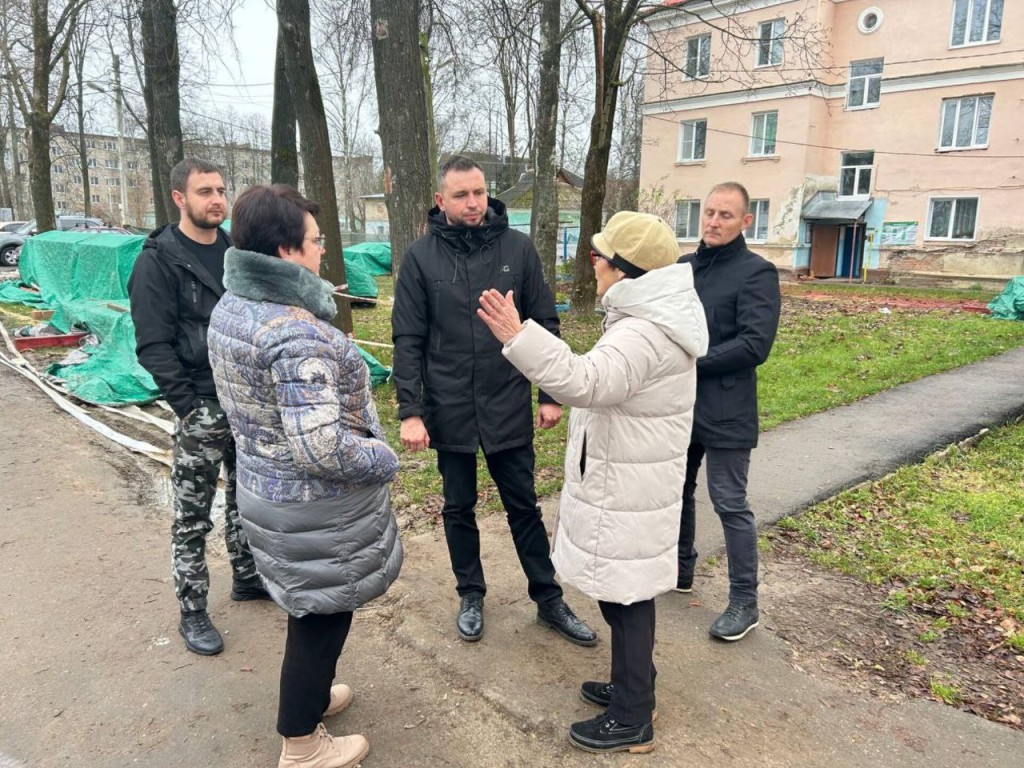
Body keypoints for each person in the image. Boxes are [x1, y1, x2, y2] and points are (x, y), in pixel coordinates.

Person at [477, 211, 708, 754]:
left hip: (628, 486)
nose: (593, 264)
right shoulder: (649, 318)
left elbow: (586, 381)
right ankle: (635, 687)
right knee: (621, 592)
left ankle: (633, 716)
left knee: (625, 597)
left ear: (624, 270)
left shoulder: (644, 331)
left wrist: (518, 336)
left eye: (599, 256)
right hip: (627, 478)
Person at [207, 184, 402, 768]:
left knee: (311, 604)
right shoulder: (294, 332)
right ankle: (300, 741)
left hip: (266, 488)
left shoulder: (233, 308)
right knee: (322, 613)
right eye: (316, 242)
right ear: (287, 251)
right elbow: (321, 446)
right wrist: (383, 458)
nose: (324, 252)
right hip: (315, 504)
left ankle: (312, 699)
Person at [391, 154, 595, 646]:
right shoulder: (421, 258)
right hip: (450, 406)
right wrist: (412, 411)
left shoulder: (517, 250)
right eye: (461, 195)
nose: (473, 203)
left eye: (479, 192)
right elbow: (408, 339)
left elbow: (544, 322)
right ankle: (471, 594)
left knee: (523, 505)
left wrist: (549, 394)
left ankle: (548, 599)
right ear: (441, 200)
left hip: (506, 401)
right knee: (458, 507)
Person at [128, 157, 268, 657]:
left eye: (221, 190)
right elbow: (153, 345)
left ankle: (247, 575)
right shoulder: (158, 262)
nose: (216, 200)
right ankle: (192, 609)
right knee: (191, 514)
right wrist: (189, 407)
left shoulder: (234, 252)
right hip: (202, 407)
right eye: (205, 191)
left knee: (245, 500)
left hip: (244, 401)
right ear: (179, 198)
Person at [674, 181, 781, 642]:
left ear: (745, 222)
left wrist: (692, 364)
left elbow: (755, 344)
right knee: (674, 489)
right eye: (709, 213)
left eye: (726, 215)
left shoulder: (757, 272)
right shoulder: (682, 268)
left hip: (728, 407)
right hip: (680, 406)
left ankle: (744, 600)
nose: (714, 222)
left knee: (730, 503)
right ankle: (678, 571)